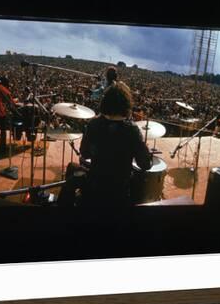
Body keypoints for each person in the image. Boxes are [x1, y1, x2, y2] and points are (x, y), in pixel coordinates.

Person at [59, 81, 151, 209]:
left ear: (105, 102)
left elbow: (84, 153)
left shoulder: (94, 124)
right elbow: (145, 164)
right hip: (119, 193)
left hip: (95, 187)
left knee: (72, 170)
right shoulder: (133, 130)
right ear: (126, 105)